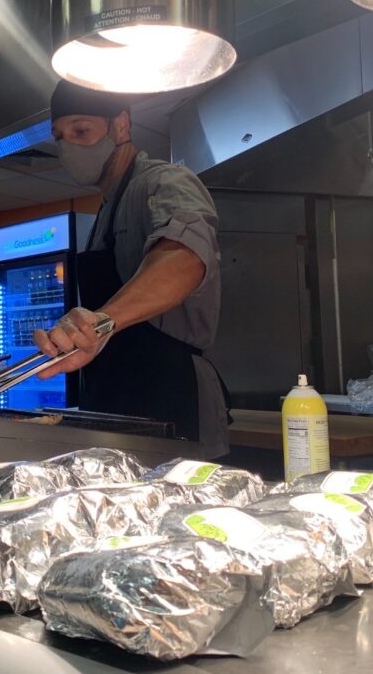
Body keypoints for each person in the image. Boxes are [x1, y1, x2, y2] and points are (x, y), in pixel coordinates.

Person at [34, 80, 229, 458]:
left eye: (81, 131)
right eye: (59, 137)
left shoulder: (165, 182)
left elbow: (184, 257)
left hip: (171, 397)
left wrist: (101, 322)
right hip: (117, 399)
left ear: (121, 126)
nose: (68, 147)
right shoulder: (105, 210)